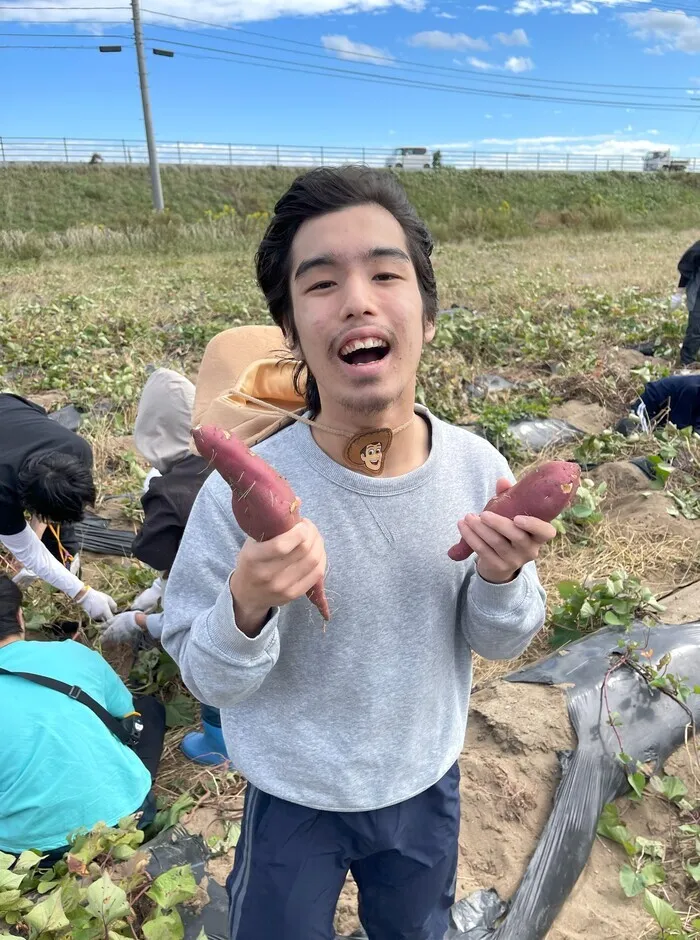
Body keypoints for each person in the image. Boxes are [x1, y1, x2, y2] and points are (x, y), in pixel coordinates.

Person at [161, 166, 554, 940]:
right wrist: (246, 605)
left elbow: (504, 640)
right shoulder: (241, 495)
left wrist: (502, 576)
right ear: (292, 329)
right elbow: (203, 675)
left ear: (427, 314)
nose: (357, 299)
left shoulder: (478, 470)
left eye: (384, 272)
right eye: (320, 283)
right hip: (291, 793)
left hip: (422, 779)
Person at [99, 368, 227, 764]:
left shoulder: (167, 494)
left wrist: (141, 621)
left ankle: (220, 743)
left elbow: (181, 582)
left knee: (213, 659)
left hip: (223, 599)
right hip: (266, 580)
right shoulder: (230, 458)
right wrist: (158, 590)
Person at [0, 574, 166, 862]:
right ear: (20, 616)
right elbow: (128, 717)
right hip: (130, 816)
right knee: (149, 709)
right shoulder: (73, 652)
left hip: (32, 854)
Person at [0, 393, 117, 622]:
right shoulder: (2, 493)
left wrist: (35, 533)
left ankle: (66, 565)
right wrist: (83, 594)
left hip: (9, 409)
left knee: (55, 537)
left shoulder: (77, 449)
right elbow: (29, 551)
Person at [672, 239, 700, 366]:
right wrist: (678, 294)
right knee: (696, 326)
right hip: (698, 291)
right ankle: (687, 362)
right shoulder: (697, 250)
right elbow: (686, 269)